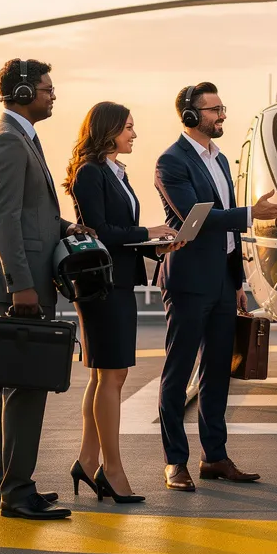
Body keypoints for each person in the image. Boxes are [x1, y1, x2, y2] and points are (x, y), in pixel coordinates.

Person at [0, 57, 91, 520]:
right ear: (22, 94)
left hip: (24, 278)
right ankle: (18, 492)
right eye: (46, 89)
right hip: (22, 282)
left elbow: (30, 213)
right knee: (28, 386)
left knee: (12, 385)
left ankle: (6, 484)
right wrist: (22, 286)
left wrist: (67, 226)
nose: (53, 95)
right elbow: (4, 220)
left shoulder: (20, 140)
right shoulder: (8, 142)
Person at [153, 81, 277, 491]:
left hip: (219, 281)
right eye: (214, 110)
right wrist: (253, 212)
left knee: (218, 372)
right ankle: (174, 463)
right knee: (178, 374)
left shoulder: (220, 160)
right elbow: (199, 217)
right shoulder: (171, 162)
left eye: (222, 108)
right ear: (191, 115)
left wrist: (236, 283)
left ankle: (214, 457)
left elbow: (228, 233)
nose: (222, 116)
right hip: (188, 281)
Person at [63, 101, 185, 505]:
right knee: (111, 376)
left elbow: (120, 235)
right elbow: (99, 230)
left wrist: (158, 246)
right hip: (99, 286)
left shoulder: (114, 172)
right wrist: (148, 230)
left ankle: (87, 460)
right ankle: (111, 470)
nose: (134, 134)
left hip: (115, 282)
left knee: (106, 376)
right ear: (108, 129)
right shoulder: (89, 172)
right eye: (128, 127)